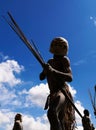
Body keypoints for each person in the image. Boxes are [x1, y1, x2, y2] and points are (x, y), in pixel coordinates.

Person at [39, 37, 75, 130]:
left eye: (59, 45)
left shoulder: (64, 60)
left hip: (62, 91)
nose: (56, 46)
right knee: (59, 120)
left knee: (52, 112)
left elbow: (70, 77)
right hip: (53, 93)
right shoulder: (49, 62)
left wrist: (53, 71)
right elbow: (41, 77)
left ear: (64, 48)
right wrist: (45, 70)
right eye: (55, 44)